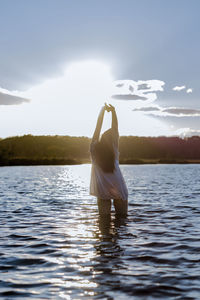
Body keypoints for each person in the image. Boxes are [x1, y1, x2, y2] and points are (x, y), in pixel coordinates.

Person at [90, 103, 128, 215]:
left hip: (102, 191)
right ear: (112, 140)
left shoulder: (94, 149)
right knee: (122, 221)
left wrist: (102, 111)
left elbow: (97, 128)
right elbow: (115, 127)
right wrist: (113, 111)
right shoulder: (114, 150)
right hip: (119, 189)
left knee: (103, 223)